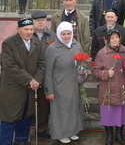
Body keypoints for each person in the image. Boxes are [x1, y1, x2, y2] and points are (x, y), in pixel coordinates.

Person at [0, 18, 44, 145]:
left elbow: (41, 63)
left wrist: (37, 80)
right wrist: (29, 79)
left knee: (26, 117)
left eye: (31, 29)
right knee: (9, 118)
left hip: (30, 90)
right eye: (26, 29)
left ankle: (22, 141)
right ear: (18, 30)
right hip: (12, 89)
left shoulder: (36, 42)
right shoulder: (9, 43)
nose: (29, 32)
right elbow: (9, 66)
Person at [44, 22, 85, 143]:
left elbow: (82, 62)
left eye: (69, 33)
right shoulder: (52, 49)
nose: (67, 36)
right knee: (61, 111)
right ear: (58, 34)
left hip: (75, 84)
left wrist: (83, 71)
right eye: (64, 34)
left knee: (74, 109)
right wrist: (49, 90)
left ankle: (72, 131)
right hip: (60, 86)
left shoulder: (77, 45)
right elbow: (48, 71)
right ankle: (61, 134)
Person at [92, 29, 125, 145]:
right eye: (112, 38)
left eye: (116, 37)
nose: (115, 40)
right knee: (108, 114)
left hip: (122, 88)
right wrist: (105, 74)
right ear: (107, 40)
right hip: (108, 90)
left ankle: (119, 134)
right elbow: (95, 71)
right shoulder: (102, 53)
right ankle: (109, 136)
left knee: (121, 114)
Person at [31, 10, 56, 139]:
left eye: (43, 20)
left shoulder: (52, 36)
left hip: (46, 75)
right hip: (30, 75)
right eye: (37, 20)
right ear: (33, 21)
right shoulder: (27, 33)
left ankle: (41, 128)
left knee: (43, 105)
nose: (40, 23)